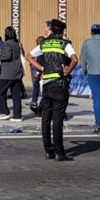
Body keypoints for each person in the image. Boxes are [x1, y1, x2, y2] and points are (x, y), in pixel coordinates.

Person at [27, 19, 78, 161]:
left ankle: (48, 150)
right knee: (57, 119)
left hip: (47, 84)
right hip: (59, 83)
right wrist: (67, 71)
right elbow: (75, 59)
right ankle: (59, 152)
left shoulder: (44, 43)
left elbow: (29, 56)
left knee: (46, 118)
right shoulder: (64, 44)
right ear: (62, 31)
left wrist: (42, 68)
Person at [0, 26, 25, 121]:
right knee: (16, 95)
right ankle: (17, 115)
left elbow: (7, 56)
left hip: (7, 73)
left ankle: (4, 112)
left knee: (0, 91)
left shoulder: (7, 43)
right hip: (17, 72)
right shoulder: (17, 43)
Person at [28, 34, 45, 113]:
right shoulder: (42, 51)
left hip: (38, 72)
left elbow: (38, 61)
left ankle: (35, 103)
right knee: (41, 89)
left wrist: (39, 72)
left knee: (38, 88)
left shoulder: (39, 51)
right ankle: (36, 104)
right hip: (39, 71)